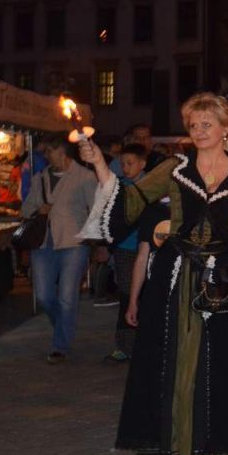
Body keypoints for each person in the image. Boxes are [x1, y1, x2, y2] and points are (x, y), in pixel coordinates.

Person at [79, 93, 228, 455]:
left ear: (226, 129)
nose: (199, 131)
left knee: (221, 363)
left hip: (224, 279)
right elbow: (133, 196)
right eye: (193, 125)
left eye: (207, 124)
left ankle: (218, 449)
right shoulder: (176, 169)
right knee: (179, 361)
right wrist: (99, 165)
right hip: (177, 277)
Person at [20, 134, 98, 363]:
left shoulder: (85, 177)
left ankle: (60, 346)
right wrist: (38, 209)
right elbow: (25, 209)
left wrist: (95, 242)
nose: (45, 156)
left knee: (67, 297)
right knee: (44, 295)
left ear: (62, 152)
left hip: (74, 242)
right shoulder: (40, 178)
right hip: (43, 242)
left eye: (49, 151)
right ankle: (64, 328)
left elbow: (96, 211)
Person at [103, 145, 151, 363]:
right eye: (123, 164)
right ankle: (124, 345)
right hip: (125, 248)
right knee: (127, 296)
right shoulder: (120, 187)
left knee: (146, 296)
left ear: (143, 163)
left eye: (130, 163)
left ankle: (144, 345)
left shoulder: (153, 186)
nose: (125, 167)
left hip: (148, 249)